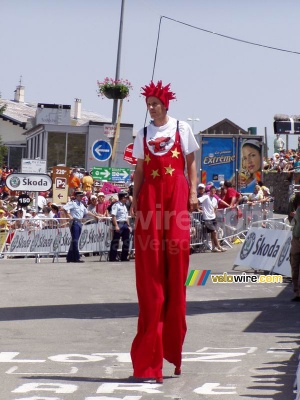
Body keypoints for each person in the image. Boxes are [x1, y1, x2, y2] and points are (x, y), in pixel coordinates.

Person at [130, 80, 199, 383]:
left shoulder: (182, 128)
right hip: (150, 201)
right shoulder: (142, 134)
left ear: (166, 104)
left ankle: (174, 348)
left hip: (176, 199)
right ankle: (150, 354)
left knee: (176, 261)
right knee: (151, 276)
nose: (152, 108)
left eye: (155, 103)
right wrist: (134, 202)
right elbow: (140, 172)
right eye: (148, 104)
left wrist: (194, 193)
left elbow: (192, 164)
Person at [63, 190, 101, 263]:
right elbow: (64, 208)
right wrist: (69, 215)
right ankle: (76, 258)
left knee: (74, 240)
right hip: (75, 222)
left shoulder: (81, 204)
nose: (81, 197)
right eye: (80, 196)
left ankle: (70, 257)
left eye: (82, 196)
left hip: (79, 222)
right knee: (75, 240)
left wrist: (95, 216)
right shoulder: (73, 203)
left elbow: (86, 212)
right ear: (76, 196)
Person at [198, 186, 227, 252]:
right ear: (209, 191)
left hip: (213, 218)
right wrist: (198, 209)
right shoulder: (206, 197)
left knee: (213, 234)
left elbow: (215, 208)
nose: (212, 192)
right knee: (214, 232)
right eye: (211, 191)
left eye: (214, 191)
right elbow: (198, 200)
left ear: (215, 192)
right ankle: (219, 246)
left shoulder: (214, 199)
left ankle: (214, 248)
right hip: (207, 218)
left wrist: (214, 214)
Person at [109, 191, 131, 262]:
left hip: (124, 224)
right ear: (122, 198)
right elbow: (113, 216)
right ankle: (112, 257)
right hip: (119, 224)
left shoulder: (124, 205)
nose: (126, 199)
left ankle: (124, 257)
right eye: (125, 197)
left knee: (126, 241)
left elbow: (126, 216)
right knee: (115, 241)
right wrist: (116, 225)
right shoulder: (116, 205)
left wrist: (128, 225)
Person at [289, 204, 300, 301]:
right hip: (296, 239)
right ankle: (297, 292)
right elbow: (293, 223)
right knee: (294, 265)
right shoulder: (299, 209)